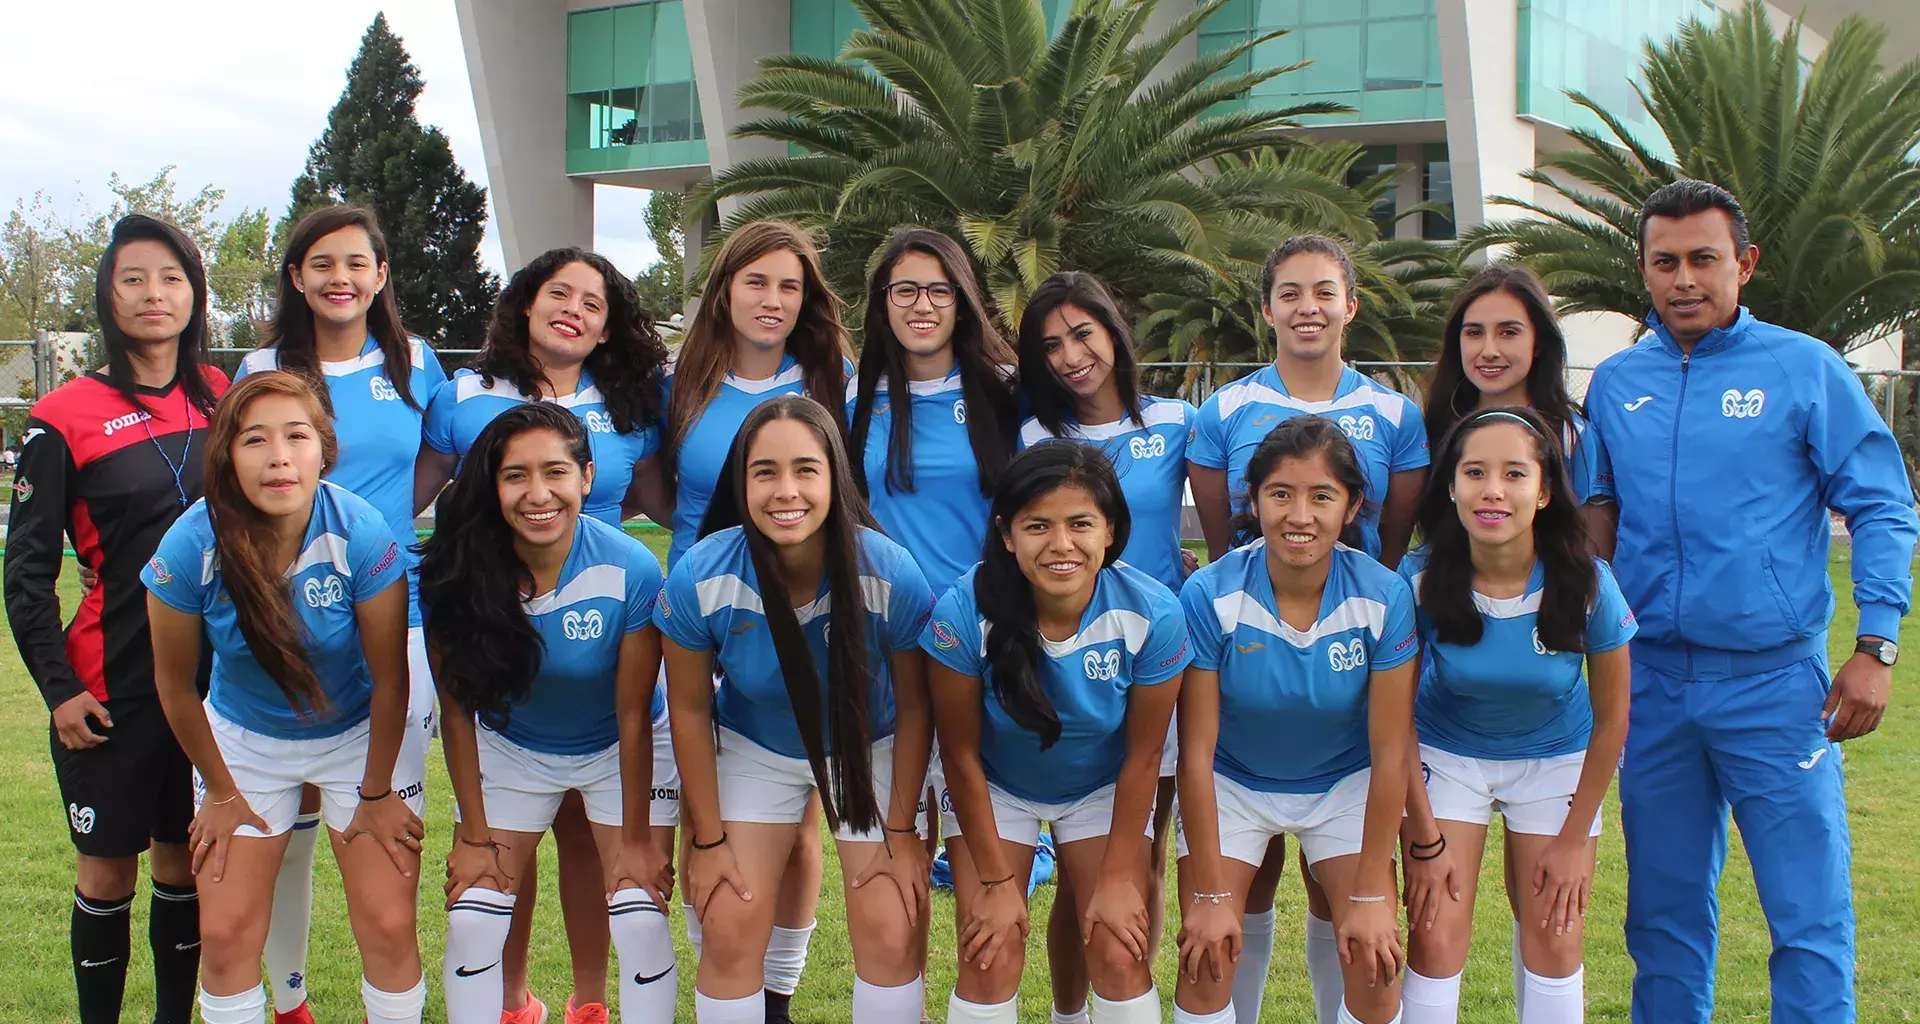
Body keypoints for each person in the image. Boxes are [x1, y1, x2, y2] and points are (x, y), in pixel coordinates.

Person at [1583, 179, 1918, 1024]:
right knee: (1661, 920)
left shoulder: (1803, 367)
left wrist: (1876, 644)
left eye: (1704, 258)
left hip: (1777, 687)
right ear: (1644, 269)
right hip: (1653, 687)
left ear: (1746, 264)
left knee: (1807, 916)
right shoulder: (1619, 383)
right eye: (1665, 262)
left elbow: (1881, 503)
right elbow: (1595, 527)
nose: (1684, 279)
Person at [416, 246, 671, 1024]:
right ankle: (510, 1001)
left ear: (586, 477)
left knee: (605, 864)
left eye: (594, 303)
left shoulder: (628, 413)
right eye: (559, 293)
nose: (575, 310)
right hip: (509, 645)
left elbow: (673, 502)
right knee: (497, 867)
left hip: (597, 641)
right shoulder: (464, 398)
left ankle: (590, 1004)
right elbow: (406, 493)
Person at [1186, 235, 1427, 1022]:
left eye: (1325, 290)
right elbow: (1192, 750)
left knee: (1371, 947)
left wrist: (1366, 888)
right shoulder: (1225, 416)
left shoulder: (1384, 587)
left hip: (1343, 776)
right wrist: (1211, 891)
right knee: (1209, 941)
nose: (1307, 307)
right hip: (1237, 775)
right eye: (1289, 292)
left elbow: (1392, 747)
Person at [142, 371, 425, 1024]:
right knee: (225, 934)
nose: (278, 457)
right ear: (226, 455)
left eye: (297, 436)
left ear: (323, 448)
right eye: (254, 440)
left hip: (356, 735)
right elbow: (175, 686)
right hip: (245, 741)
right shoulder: (192, 542)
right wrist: (218, 790)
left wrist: (377, 793)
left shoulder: (360, 529)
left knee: (386, 923)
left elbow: (391, 680)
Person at [3, 214, 229, 1024]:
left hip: (212, 686)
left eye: (170, 277)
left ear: (193, 293)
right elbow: (26, 573)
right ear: (106, 294)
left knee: (185, 864)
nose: (154, 294)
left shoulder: (222, 398)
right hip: (110, 687)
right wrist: (59, 691)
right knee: (107, 874)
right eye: (132, 278)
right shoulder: (61, 417)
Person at [657, 395, 935, 1024]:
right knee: (727, 919)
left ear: (835, 476)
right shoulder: (703, 572)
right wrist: (706, 838)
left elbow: (919, 709)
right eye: (765, 472)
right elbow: (691, 710)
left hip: (873, 744)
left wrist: (901, 831)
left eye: (806, 470)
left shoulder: (887, 569)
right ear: (741, 482)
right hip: (757, 744)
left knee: (892, 922)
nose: (787, 491)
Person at [234, 203, 446, 1024]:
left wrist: (371, 540)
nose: (340, 279)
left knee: (385, 825)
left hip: (399, 623)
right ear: (297, 276)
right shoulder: (261, 365)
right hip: (284, 625)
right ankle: (289, 1004)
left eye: (357, 263)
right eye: (321, 264)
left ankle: (388, 1001)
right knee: (288, 829)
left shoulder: (416, 362)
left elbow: (434, 463)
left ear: (382, 275)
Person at [659, 220, 856, 1021]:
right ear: (724, 291)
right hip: (697, 610)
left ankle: (775, 992)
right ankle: (724, 968)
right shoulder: (682, 379)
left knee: (798, 812)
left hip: (804, 617)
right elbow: (653, 488)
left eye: (790, 286)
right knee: (699, 806)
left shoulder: (831, 379)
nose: (772, 300)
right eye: (756, 282)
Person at [923, 440, 1190, 1024]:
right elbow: (961, 755)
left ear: (1111, 531)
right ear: (1007, 533)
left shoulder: (1155, 615)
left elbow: (1145, 757)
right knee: (989, 951)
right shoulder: (961, 611)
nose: (1061, 544)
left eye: (1080, 524)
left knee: (1120, 947)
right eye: (1037, 525)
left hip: (1101, 786)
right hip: (994, 784)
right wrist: (995, 882)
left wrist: (1123, 876)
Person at [1395, 407, 1634, 1024]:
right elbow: (1394, 720)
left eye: (1514, 473)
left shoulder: (1587, 584)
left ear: (1546, 489)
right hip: (1448, 758)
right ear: (1451, 487)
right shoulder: (1419, 580)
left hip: (1555, 761)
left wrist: (1573, 838)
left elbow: (1611, 722)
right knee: (1433, 932)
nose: (1493, 490)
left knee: (1555, 934)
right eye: (1474, 472)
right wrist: (1423, 839)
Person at [1015, 270, 1196, 1024]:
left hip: (1157, 659)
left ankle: (1128, 997)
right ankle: (1069, 1014)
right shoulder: (1030, 435)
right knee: (1086, 866)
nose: (1070, 356)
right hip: (1067, 662)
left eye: (1083, 333)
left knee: (1142, 856)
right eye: (1051, 344)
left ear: (1114, 331)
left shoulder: (1180, 420)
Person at [1422, 264, 1614, 556]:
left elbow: (1594, 554)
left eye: (1508, 332)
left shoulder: (1572, 436)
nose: (1489, 350)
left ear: (1538, 342)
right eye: (1474, 332)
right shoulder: (1434, 428)